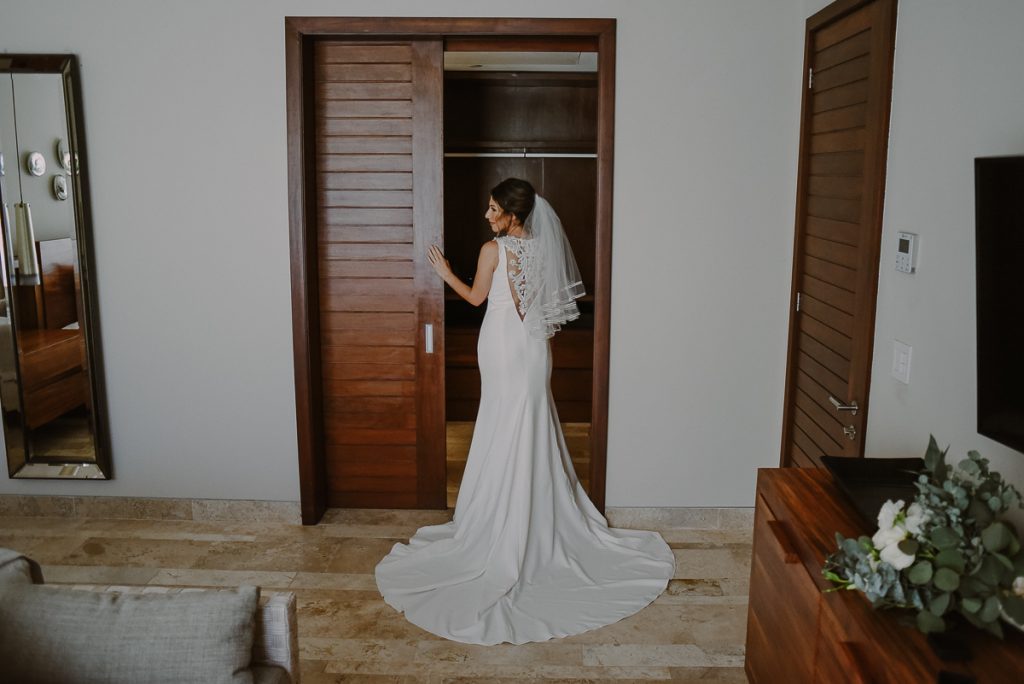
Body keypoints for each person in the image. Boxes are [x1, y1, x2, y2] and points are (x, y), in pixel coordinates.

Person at [374, 178, 674, 645]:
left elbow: (476, 299)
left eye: (494, 210)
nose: (488, 216)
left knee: (501, 423)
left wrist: (445, 271)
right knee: (531, 424)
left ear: (514, 215)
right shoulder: (543, 247)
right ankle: (538, 513)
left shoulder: (493, 250)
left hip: (500, 346)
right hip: (534, 351)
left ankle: (500, 523)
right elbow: (541, 308)